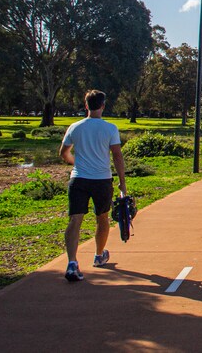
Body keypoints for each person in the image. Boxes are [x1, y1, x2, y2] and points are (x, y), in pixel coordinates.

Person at [59, 90, 127, 282]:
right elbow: (117, 155)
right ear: (103, 106)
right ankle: (98, 255)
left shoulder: (75, 127)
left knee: (75, 220)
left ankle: (72, 263)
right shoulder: (110, 128)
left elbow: (63, 153)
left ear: (86, 105)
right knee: (102, 217)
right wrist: (122, 182)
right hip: (102, 180)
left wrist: (76, 163)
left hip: (79, 179)